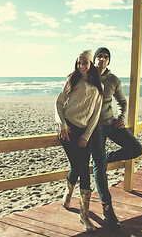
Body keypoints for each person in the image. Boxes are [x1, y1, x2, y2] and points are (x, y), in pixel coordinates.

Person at [90, 47, 142, 229]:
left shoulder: (114, 80)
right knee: (98, 165)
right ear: (94, 59)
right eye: (99, 56)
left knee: (136, 149)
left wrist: (121, 118)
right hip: (94, 128)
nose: (102, 59)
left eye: (105, 57)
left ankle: (108, 158)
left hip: (111, 124)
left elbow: (122, 101)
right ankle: (107, 208)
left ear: (108, 61)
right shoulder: (87, 77)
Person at [55, 50, 103, 232]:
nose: (82, 66)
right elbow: (58, 104)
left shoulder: (98, 86)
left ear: (90, 63)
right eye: (79, 62)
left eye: (85, 62)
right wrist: (62, 125)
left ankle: (81, 210)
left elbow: (96, 114)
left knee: (81, 168)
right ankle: (77, 207)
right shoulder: (72, 80)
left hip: (84, 133)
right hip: (67, 129)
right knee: (80, 167)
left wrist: (86, 136)